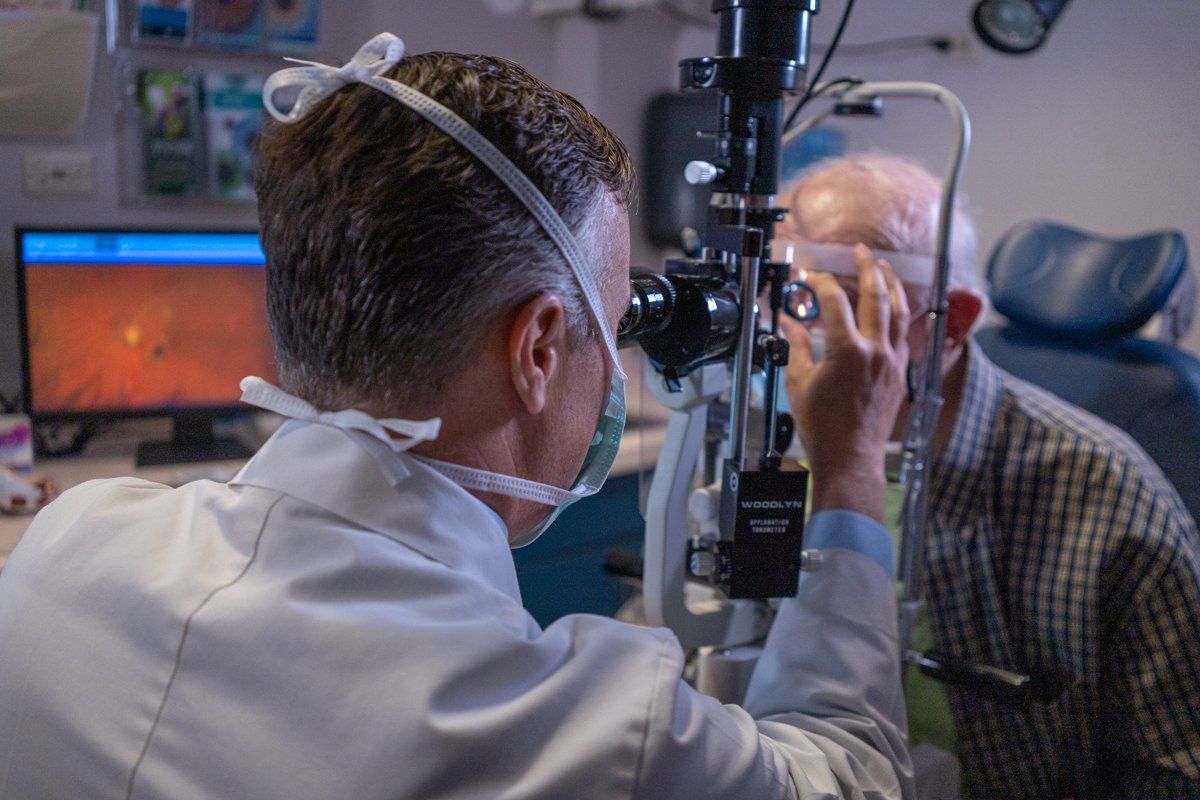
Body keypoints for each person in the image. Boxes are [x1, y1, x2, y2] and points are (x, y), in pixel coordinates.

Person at [0, 35, 917, 799]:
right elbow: (851, 773)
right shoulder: (582, 736)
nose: (619, 354)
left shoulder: (64, 547)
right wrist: (849, 466)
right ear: (538, 349)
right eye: (613, 321)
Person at [777, 153, 1200, 799]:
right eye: (784, 296)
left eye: (837, 302)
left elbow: (1171, 774)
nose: (791, 338)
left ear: (954, 324)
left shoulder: (1106, 498)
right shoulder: (760, 440)